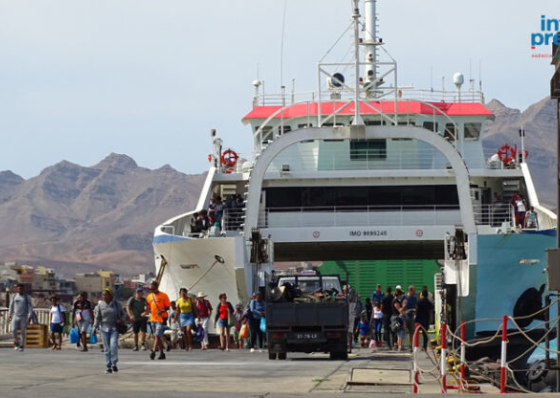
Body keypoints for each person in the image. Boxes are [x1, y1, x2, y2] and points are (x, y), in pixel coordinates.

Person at [92, 288, 126, 374]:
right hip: (104, 329)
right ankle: (108, 366)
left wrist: (121, 319)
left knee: (113, 346)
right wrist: (94, 327)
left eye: (105, 295)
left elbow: (123, 314)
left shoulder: (116, 304)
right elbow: (97, 317)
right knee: (107, 349)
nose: (104, 296)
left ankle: (114, 364)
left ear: (110, 296)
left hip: (114, 329)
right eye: (103, 295)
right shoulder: (100, 305)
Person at [144, 281, 171, 360]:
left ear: (157, 287)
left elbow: (167, 307)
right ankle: (162, 353)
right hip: (153, 318)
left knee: (157, 335)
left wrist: (161, 311)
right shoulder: (149, 296)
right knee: (156, 336)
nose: (152, 291)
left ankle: (153, 351)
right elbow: (148, 307)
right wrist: (145, 312)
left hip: (161, 318)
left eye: (153, 289)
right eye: (151, 289)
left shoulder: (164, 296)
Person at [8, 283, 33, 352]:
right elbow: (11, 305)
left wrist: (29, 315)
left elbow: (30, 307)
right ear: (17, 289)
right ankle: (16, 342)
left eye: (21, 288)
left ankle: (21, 345)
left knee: (22, 331)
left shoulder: (26, 297)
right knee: (13, 330)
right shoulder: (14, 296)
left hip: (24, 316)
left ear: (23, 289)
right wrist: (9, 314)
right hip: (15, 315)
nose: (20, 289)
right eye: (18, 288)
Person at [403, 285, 417, 351]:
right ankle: (400, 344)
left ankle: (410, 345)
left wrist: (415, 310)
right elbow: (402, 307)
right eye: (413, 291)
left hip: (411, 316)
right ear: (410, 290)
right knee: (404, 331)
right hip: (405, 316)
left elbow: (416, 306)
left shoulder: (414, 298)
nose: (414, 292)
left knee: (411, 332)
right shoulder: (405, 297)